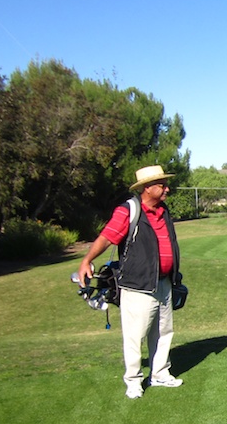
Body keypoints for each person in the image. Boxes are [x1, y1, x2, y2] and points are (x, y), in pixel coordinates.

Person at [77, 165, 183, 398]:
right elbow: (107, 237)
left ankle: (159, 374)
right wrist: (87, 260)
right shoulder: (129, 210)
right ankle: (134, 381)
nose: (167, 188)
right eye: (161, 185)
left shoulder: (163, 210)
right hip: (138, 285)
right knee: (136, 335)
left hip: (164, 283)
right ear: (147, 188)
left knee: (164, 331)